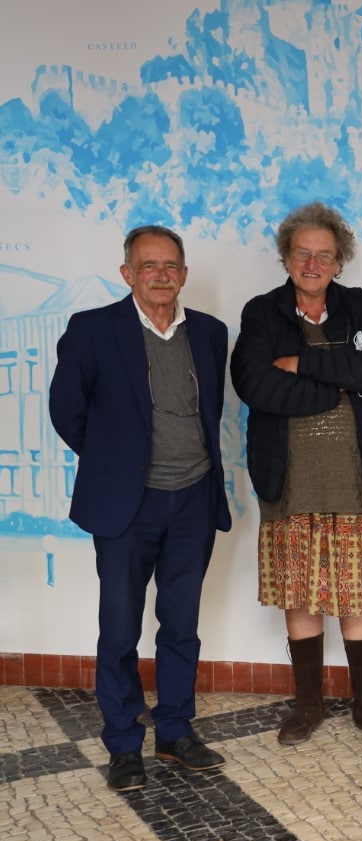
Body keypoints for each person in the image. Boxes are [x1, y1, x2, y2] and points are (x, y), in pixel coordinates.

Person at [49, 225, 232, 792]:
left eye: (171, 265)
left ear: (184, 274)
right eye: (148, 265)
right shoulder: (92, 330)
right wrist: (116, 463)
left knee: (181, 625)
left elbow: (209, 412)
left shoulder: (210, 333)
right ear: (127, 273)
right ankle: (124, 744)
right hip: (126, 505)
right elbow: (66, 411)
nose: (161, 275)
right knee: (120, 628)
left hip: (194, 498)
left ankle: (175, 731)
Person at [230, 202, 362, 747]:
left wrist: (302, 363)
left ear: (339, 261)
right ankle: (307, 705)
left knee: (358, 597)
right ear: (286, 256)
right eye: (302, 253)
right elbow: (255, 385)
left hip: (357, 478)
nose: (312, 263)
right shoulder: (262, 313)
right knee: (300, 597)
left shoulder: (360, 306)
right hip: (289, 480)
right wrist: (339, 387)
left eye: (324, 255)